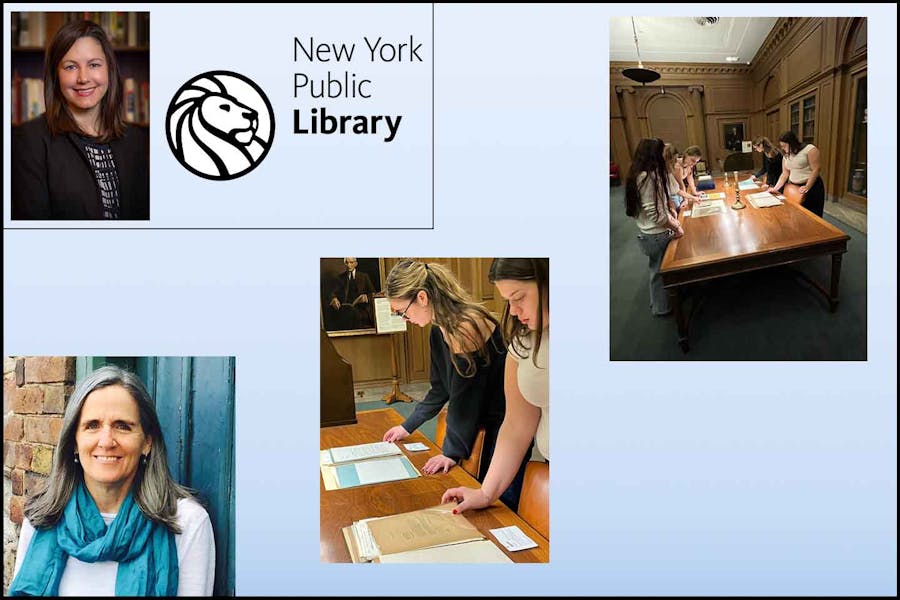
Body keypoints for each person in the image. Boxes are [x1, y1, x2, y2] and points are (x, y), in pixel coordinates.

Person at [9, 366, 215, 596]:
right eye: (92, 425)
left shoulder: (186, 524)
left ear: (147, 442)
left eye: (122, 426)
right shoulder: (42, 519)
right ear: (74, 442)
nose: (106, 441)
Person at [382, 259, 530, 511]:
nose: (403, 318)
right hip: (478, 428)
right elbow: (440, 389)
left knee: (500, 509)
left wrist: (450, 453)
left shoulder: (466, 326)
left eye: (402, 311)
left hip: (505, 428)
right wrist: (407, 426)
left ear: (421, 297)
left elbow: (465, 401)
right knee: (474, 501)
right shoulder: (438, 330)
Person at [11, 20, 149, 220]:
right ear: (55, 75)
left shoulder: (135, 139)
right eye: (70, 67)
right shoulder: (29, 141)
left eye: (94, 64)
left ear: (109, 69)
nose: (83, 78)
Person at [442, 258, 549, 515]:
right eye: (508, 300)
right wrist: (486, 492)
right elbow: (516, 425)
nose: (512, 310)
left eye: (519, 297)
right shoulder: (524, 341)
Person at [624, 138, 683, 317]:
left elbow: (658, 206)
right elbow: (656, 215)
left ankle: (659, 303)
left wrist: (671, 214)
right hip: (656, 234)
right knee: (659, 273)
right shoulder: (648, 177)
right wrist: (675, 226)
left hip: (649, 234)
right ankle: (661, 307)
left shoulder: (639, 173)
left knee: (656, 271)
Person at [769, 130, 825, 217]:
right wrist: (775, 188)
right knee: (796, 215)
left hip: (811, 188)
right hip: (794, 187)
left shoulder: (809, 149)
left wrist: (807, 186)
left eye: (784, 146)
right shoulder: (786, 154)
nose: (782, 148)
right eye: (781, 146)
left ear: (791, 143)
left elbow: (816, 169)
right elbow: (785, 173)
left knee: (812, 216)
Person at [327, 257, 376, 330]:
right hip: (345, 309)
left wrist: (366, 297)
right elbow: (332, 293)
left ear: (356, 264)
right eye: (347, 263)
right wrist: (334, 298)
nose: (349, 265)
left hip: (361, 309)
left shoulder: (364, 276)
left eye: (351, 262)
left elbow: (373, 293)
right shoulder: (340, 278)